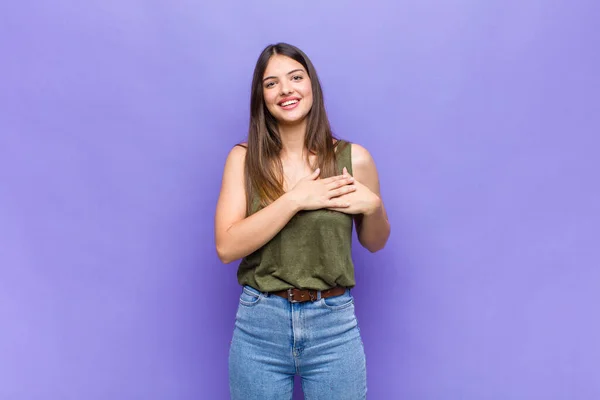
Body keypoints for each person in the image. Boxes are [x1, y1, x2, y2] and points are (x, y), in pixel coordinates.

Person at [214, 42, 391, 400]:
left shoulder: (353, 158)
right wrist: (296, 199)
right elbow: (227, 247)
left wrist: (374, 208)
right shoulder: (243, 160)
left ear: (312, 85)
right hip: (259, 325)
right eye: (272, 83)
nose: (286, 90)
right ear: (261, 96)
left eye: (296, 77)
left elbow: (374, 242)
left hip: (333, 325)